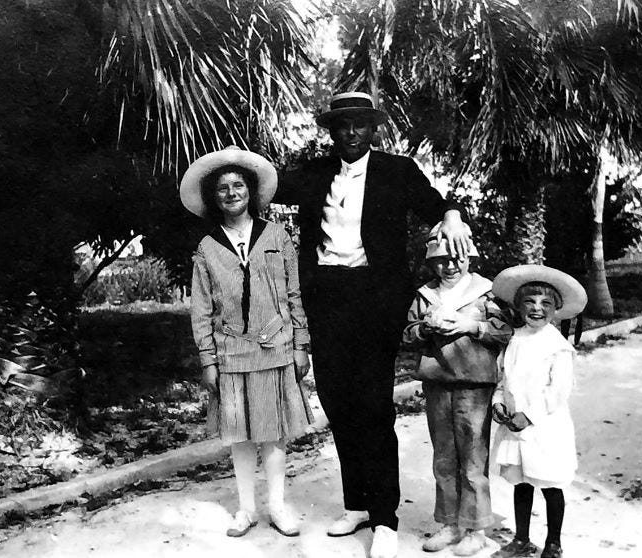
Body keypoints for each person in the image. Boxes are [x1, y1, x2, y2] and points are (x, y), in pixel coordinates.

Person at [273, 91, 472, 558]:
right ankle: (356, 503)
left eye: (359, 124)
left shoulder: (397, 171)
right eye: (341, 125)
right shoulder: (315, 174)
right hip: (326, 297)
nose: (350, 132)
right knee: (338, 401)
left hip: (375, 301)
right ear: (331, 131)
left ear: (373, 128)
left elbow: (435, 203)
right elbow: (264, 186)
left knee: (374, 406)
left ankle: (385, 517)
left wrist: (452, 214)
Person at [180, 146, 313, 539]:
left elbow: (294, 294)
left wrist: (301, 343)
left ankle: (277, 507)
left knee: (272, 433)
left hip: (274, 349)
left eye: (239, 185)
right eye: (222, 188)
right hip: (230, 353)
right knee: (239, 435)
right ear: (212, 196)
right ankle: (246, 509)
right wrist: (208, 359)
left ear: (251, 191)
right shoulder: (207, 248)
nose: (231, 193)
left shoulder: (277, 235)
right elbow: (201, 308)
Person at [402, 224, 512, 555]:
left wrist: (472, 326)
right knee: (444, 458)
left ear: (471, 258)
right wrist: (425, 327)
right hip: (438, 384)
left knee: (473, 460)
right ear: (431, 263)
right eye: (442, 260)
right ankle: (450, 523)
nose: (450, 266)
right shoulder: (425, 295)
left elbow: (506, 330)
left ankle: (476, 528)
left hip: (475, 386)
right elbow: (407, 333)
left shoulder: (487, 292)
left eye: (458, 257)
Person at [489, 265, 588, 558]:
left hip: (545, 427)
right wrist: (497, 403)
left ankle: (554, 543)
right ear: (518, 307)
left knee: (550, 484)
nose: (536, 309)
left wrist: (528, 415)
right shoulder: (513, 340)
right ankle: (521, 539)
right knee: (521, 483)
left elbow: (557, 391)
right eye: (529, 303)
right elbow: (502, 379)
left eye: (545, 304)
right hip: (515, 426)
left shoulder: (557, 346)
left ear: (556, 309)